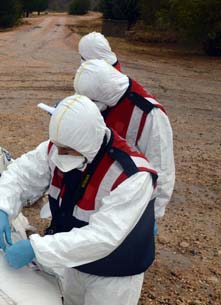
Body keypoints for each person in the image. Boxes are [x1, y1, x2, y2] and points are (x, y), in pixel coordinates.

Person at [0, 95, 158, 305]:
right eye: (59, 147)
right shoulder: (57, 149)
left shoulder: (131, 174)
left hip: (116, 271)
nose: (60, 155)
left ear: (91, 141)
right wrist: (0, 208)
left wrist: (35, 248)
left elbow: (103, 238)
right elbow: (21, 175)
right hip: (73, 259)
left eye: (68, 150)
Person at [74, 59, 175, 221]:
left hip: (130, 197)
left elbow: (162, 169)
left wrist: (152, 215)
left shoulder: (149, 115)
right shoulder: (101, 94)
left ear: (104, 93)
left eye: (93, 101)